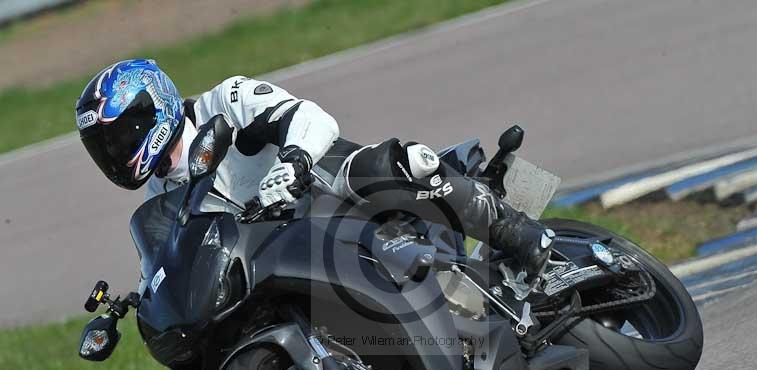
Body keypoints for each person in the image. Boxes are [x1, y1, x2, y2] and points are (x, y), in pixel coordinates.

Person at [75, 59, 554, 277]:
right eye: (104, 148)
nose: (116, 155)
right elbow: (170, 263)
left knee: (404, 161)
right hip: (287, 251)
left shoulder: (225, 101)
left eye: (119, 138)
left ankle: (522, 234)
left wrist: (294, 160)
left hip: (331, 186)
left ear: (152, 109)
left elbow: (310, 117)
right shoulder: (157, 199)